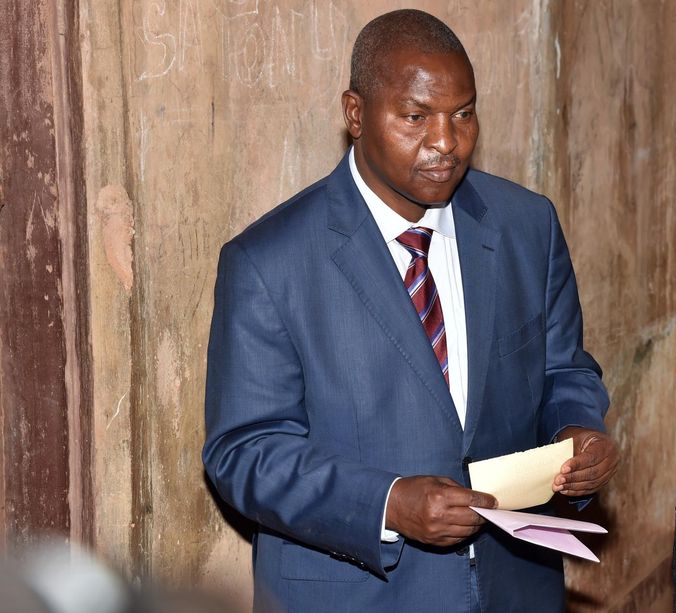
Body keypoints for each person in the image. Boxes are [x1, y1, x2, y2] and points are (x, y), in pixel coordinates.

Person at [203, 9, 618, 613]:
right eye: (415, 117)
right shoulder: (270, 262)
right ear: (356, 114)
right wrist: (388, 504)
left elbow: (564, 370)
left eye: (463, 114)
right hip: (357, 596)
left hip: (514, 588)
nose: (446, 142)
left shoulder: (527, 226)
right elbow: (243, 450)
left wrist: (579, 432)